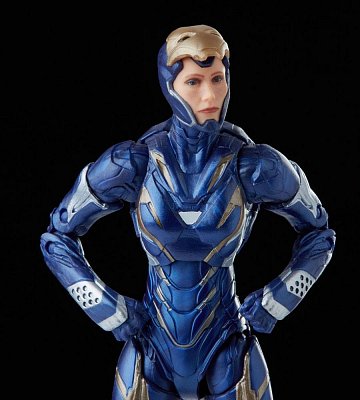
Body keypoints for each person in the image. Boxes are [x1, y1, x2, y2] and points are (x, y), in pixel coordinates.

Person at [40, 24, 336, 400]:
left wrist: (279, 299)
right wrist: (104, 306)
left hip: (228, 342)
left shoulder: (256, 166)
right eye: (193, 82)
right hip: (152, 345)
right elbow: (57, 237)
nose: (209, 95)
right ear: (170, 86)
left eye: (217, 79)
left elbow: (319, 233)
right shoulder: (131, 164)